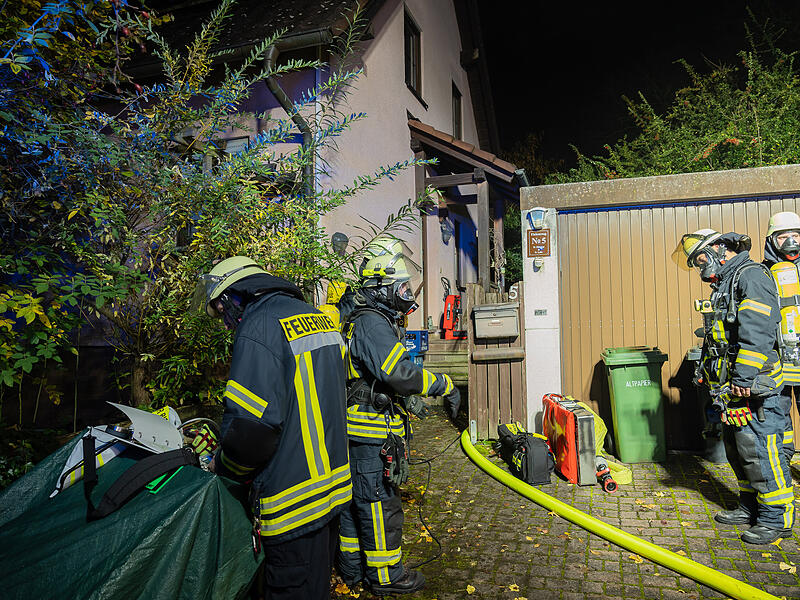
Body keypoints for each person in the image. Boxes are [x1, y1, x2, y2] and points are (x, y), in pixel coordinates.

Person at [193, 256, 351, 599]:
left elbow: (252, 433)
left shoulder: (259, 327)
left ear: (232, 297)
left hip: (291, 505)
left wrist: (221, 465)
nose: (225, 323)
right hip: (331, 492)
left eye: (221, 312)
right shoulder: (314, 316)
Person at [335, 235, 461, 595]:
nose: (407, 294)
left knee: (356, 504)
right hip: (370, 433)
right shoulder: (373, 323)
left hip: (356, 430)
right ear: (380, 288)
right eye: (401, 287)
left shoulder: (363, 319)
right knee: (378, 506)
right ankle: (386, 577)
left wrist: (404, 402)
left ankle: (353, 570)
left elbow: (373, 376)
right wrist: (443, 384)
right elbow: (400, 374)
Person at [674, 229, 794, 544]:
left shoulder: (750, 276)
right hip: (730, 390)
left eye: (700, 258)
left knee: (760, 450)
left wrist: (743, 378)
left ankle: (775, 517)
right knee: (738, 451)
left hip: (752, 387)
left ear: (719, 248)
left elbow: (757, 333)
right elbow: (718, 338)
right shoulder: (725, 283)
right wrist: (704, 369)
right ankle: (749, 506)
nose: (700, 268)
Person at [762, 211, 800, 463]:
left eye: (795, 235)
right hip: (779, 354)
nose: (790, 242)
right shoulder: (762, 272)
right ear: (771, 241)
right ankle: (784, 463)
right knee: (779, 411)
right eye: (782, 237)